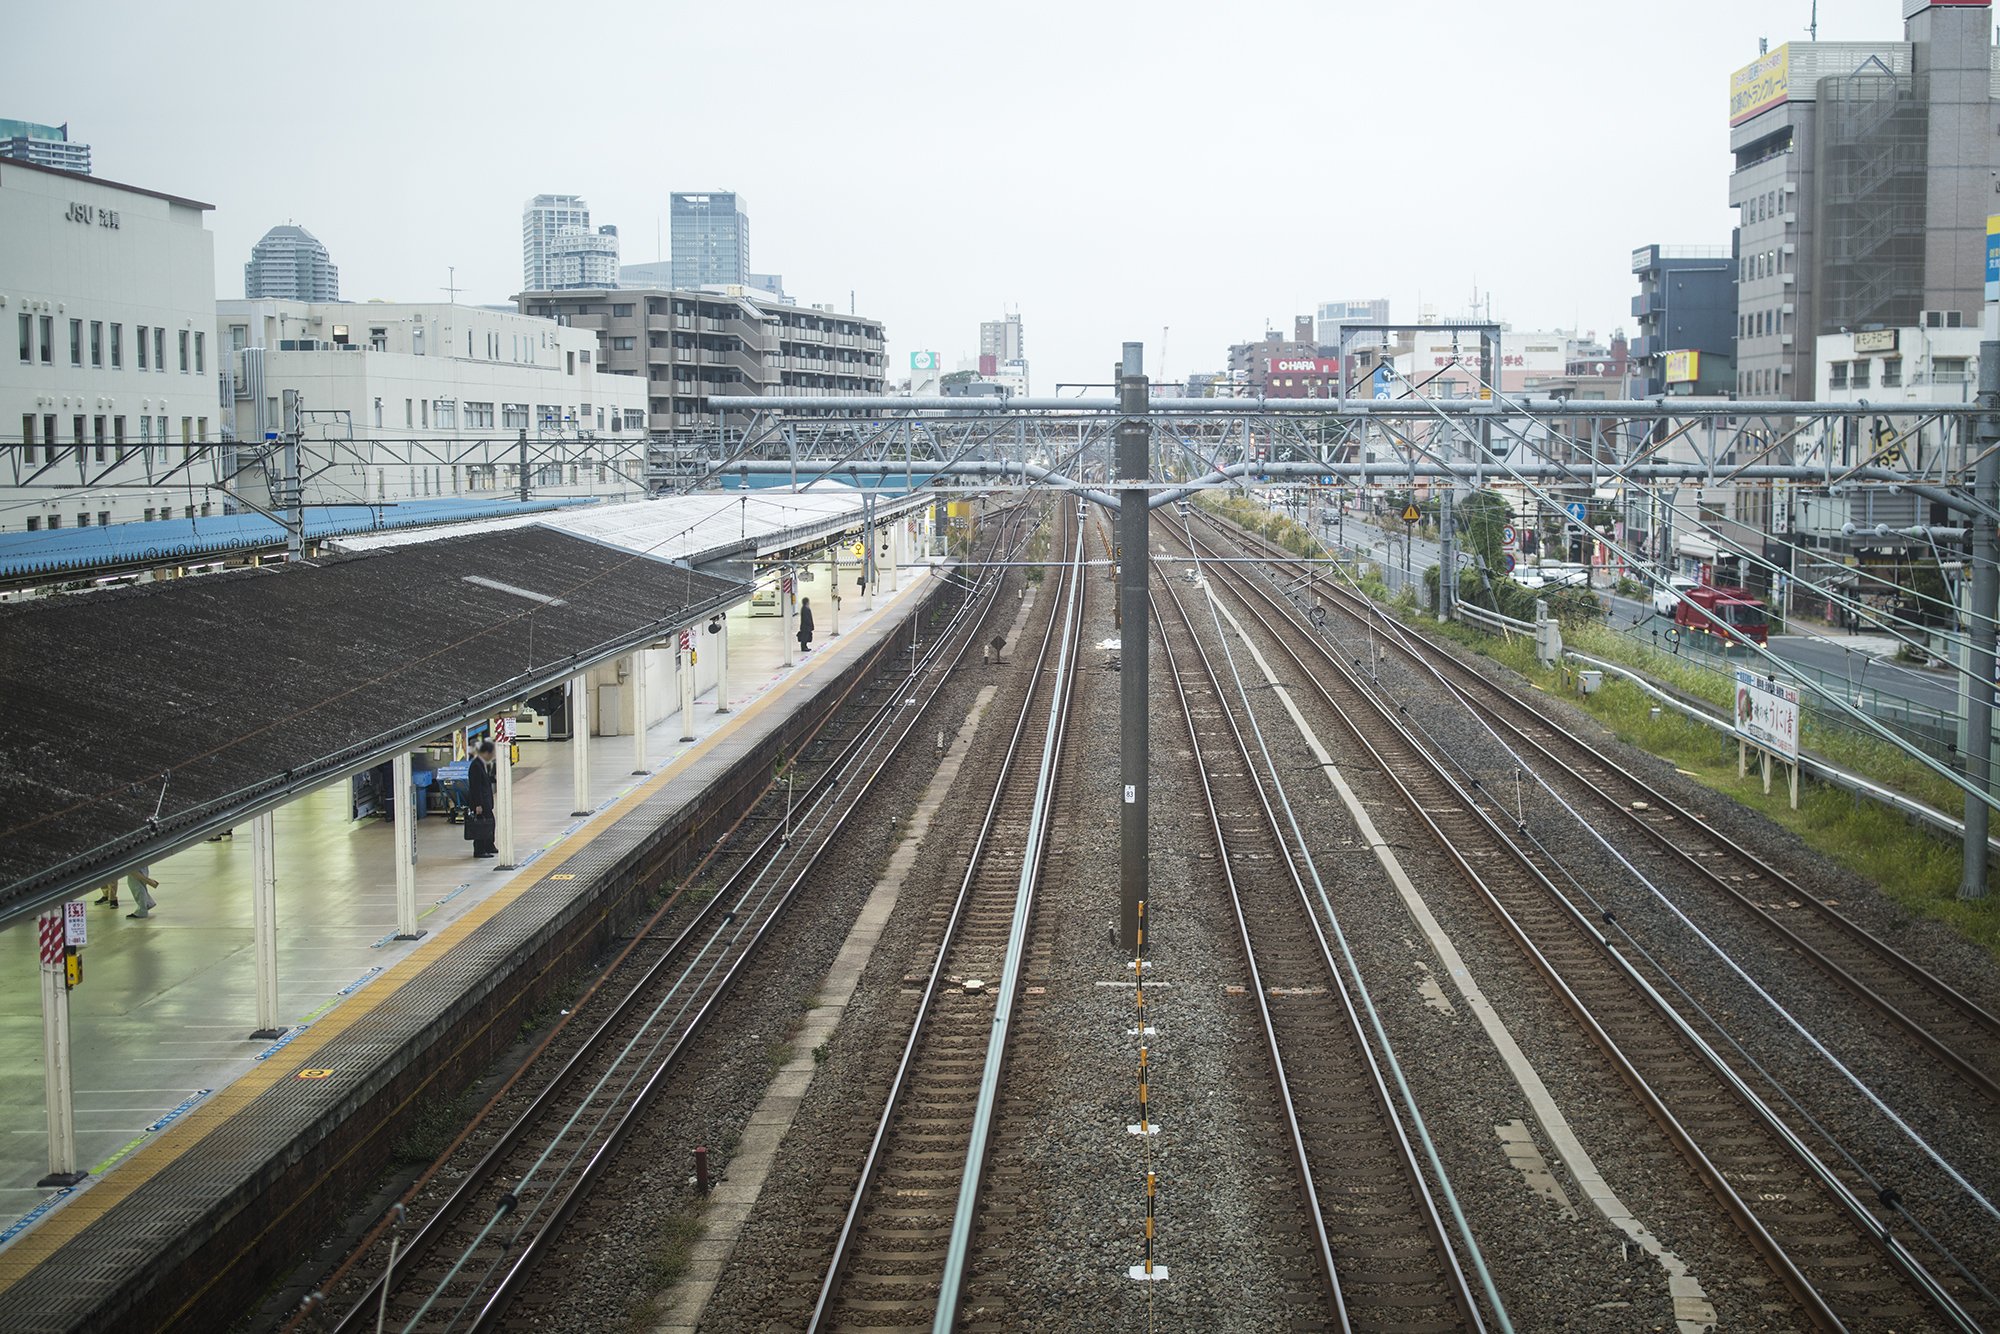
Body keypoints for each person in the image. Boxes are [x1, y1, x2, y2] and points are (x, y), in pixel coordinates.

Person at [466, 742, 498, 858]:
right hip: (481, 803)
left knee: (489, 823)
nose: (493, 756)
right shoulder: (476, 766)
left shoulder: (483, 764)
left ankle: (489, 845)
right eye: (492, 753)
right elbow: (476, 787)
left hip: (486, 802)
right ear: (486, 753)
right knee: (481, 825)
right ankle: (479, 850)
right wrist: (478, 804)